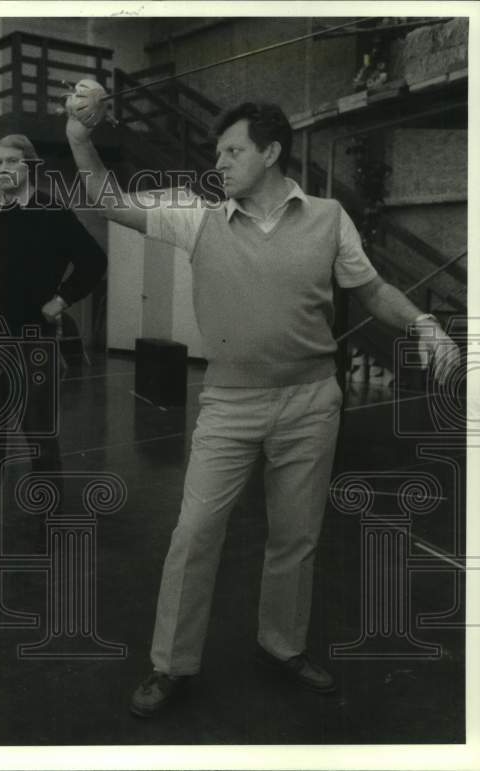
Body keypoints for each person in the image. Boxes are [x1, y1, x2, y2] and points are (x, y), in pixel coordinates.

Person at [65, 83, 461, 715]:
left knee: (296, 536)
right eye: (218, 153)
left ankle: (283, 645)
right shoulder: (199, 219)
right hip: (230, 405)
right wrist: (81, 138)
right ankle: (172, 663)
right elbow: (108, 202)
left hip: (311, 402)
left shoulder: (330, 218)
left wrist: (423, 324)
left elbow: (372, 289)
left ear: (271, 152)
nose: (218, 163)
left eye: (231, 151)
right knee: (194, 533)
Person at [0, 134, 108, 541]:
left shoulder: (53, 213)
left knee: (40, 435)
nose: (3, 170)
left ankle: (52, 518)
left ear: (30, 166)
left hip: (34, 343)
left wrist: (62, 299)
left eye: (12, 162)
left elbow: (94, 261)